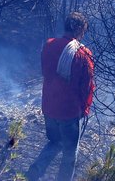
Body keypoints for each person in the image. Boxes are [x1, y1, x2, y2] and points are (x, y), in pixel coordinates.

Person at [26, 12, 95, 181]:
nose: (83, 34)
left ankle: (35, 171)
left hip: (49, 106)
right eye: (83, 30)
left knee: (55, 142)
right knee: (70, 154)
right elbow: (87, 86)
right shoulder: (83, 54)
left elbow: (45, 72)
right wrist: (85, 109)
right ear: (78, 28)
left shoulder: (49, 45)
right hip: (69, 112)